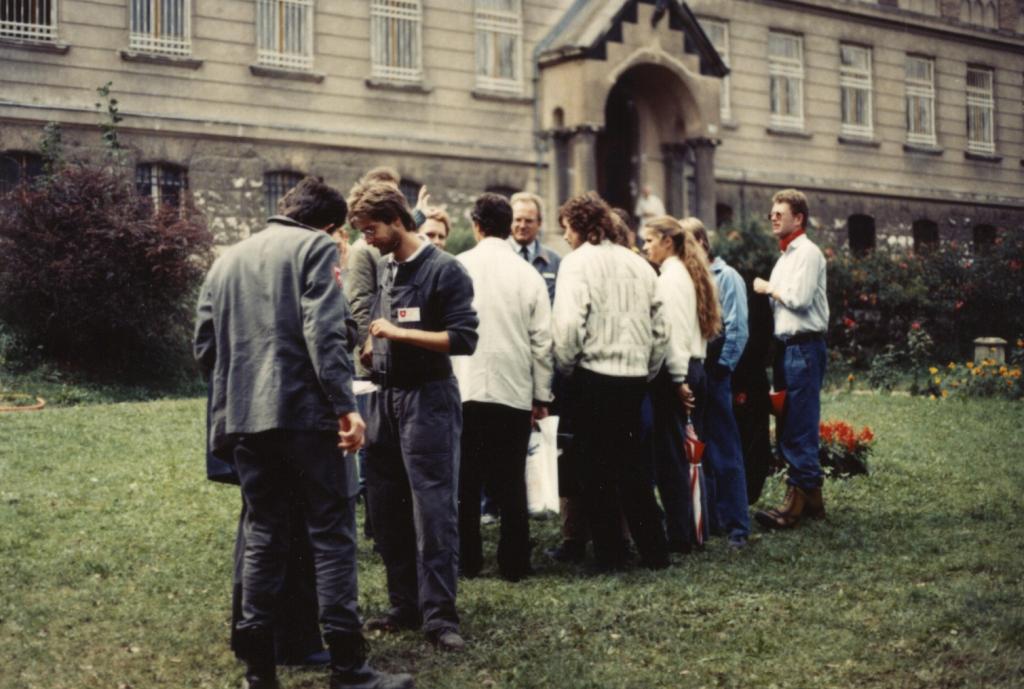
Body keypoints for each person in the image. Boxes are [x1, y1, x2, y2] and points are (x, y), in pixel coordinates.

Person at [194, 176, 413, 689]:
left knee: (264, 536)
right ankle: (349, 668)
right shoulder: (316, 247)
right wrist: (346, 407)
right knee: (332, 535)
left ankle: (258, 671)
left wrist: (240, 392)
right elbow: (323, 330)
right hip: (308, 419)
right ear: (331, 225)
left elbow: (204, 346)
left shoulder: (228, 257)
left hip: (244, 421)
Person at [347, 180, 478, 652]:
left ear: (398, 221)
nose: (367, 239)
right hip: (383, 398)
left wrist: (399, 335)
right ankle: (404, 605)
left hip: (429, 400)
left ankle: (440, 617)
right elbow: (379, 325)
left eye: (371, 229)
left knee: (433, 510)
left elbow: (463, 339)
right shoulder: (384, 267)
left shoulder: (446, 271)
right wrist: (371, 347)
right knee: (386, 509)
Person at [552, 192, 669, 571]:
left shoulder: (576, 264)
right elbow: (661, 330)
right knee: (634, 470)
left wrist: (568, 369)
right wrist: (646, 371)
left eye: (567, 229)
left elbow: (569, 326)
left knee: (595, 471)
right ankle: (654, 550)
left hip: (594, 376)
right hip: (634, 378)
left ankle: (610, 555)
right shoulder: (640, 265)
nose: (565, 237)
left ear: (582, 228)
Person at [453, 193, 553, 582]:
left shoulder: (457, 267)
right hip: (512, 389)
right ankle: (514, 562)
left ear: (476, 226)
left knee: (466, 481)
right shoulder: (527, 274)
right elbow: (542, 342)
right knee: (511, 481)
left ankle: (467, 560)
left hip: (465, 385)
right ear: (508, 223)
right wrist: (542, 395)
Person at [641, 216, 721, 554]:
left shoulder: (670, 278)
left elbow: (670, 333)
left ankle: (681, 533)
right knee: (687, 454)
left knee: (672, 457)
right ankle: (693, 526)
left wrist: (675, 380)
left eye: (649, 240)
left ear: (667, 242)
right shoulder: (684, 274)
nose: (645, 247)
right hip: (694, 366)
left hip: (680, 370)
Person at [752, 188, 829, 528]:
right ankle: (811, 499)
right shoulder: (784, 257)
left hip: (804, 347)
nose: (773, 217)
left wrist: (768, 288)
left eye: (779, 213)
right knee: (789, 423)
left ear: (798, 218)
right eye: (772, 213)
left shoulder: (807, 254)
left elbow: (797, 299)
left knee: (798, 423)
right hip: (787, 348)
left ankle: (795, 504)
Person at [688, 219, 752, 549]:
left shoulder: (727, 278)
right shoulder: (687, 277)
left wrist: (721, 369)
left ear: (702, 242)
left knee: (726, 450)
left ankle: (737, 525)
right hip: (695, 374)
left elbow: (738, 330)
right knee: (701, 450)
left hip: (716, 374)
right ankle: (710, 518)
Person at [509, 191, 560, 302]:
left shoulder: (554, 261)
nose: (522, 226)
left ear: (539, 223)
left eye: (529, 221)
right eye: (518, 220)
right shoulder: (500, 258)